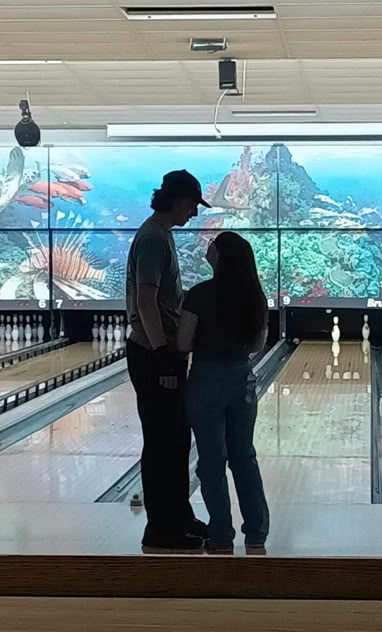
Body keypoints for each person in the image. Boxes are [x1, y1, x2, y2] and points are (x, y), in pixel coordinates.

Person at [126, 169, 211, 552]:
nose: (194, 213)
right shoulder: (152, 239)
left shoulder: (161, 236)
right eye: (193, 205)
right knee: (162, 441)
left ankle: (178, 516)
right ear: (177, 199)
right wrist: (162, 352)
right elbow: (146, 301)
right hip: (152, 354)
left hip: (162, 352)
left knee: (176, 438)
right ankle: (161, 528)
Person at [177, 231, 270, 554]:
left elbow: (183, 344)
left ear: (219, 256)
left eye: (212, 245)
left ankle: (220, 535)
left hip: (205, 381)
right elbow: (257, 345)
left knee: (211, 461)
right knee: (244, 456)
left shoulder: (199, 294)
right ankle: (256, 531)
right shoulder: (254, 296)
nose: (207, 248)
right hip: (241, 378)